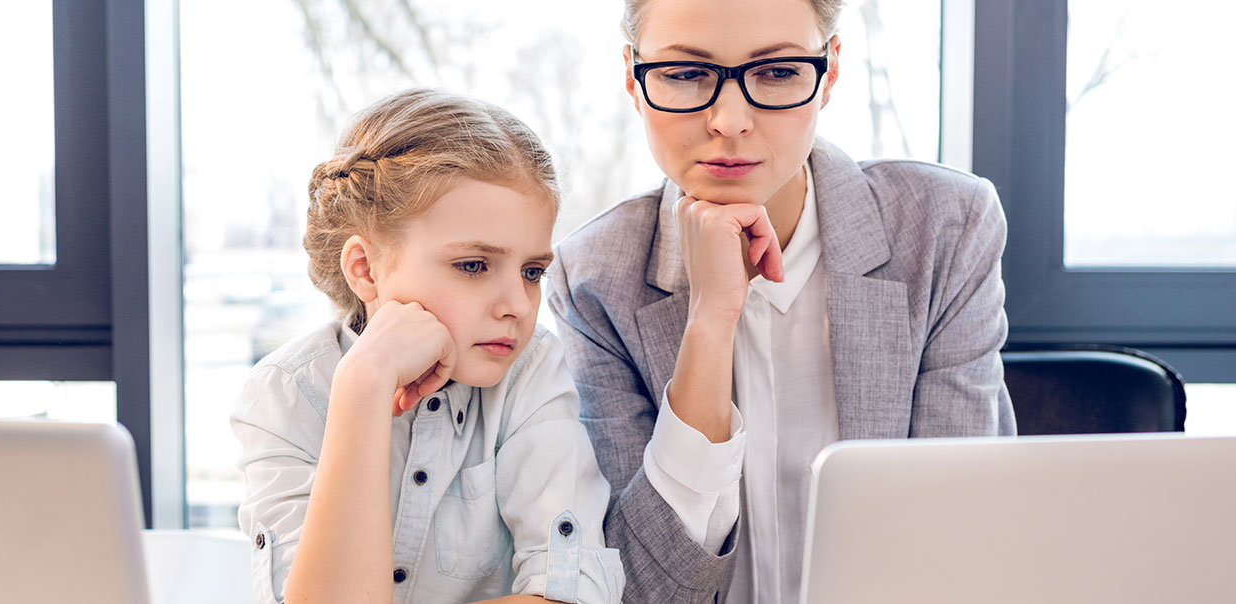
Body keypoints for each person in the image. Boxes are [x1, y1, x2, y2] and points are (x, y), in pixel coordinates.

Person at [546, 0, 1016, 602]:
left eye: (777, 72)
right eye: (688, 74)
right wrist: (709, 326)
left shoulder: (947, 231)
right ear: (634, 76)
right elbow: (638, 589)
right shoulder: (592, 282)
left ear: (830, 72)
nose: (730, 120)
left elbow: (963, 536)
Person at [232, 88, 624, 604]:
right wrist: (364, 386)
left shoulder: (531, 371)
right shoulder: (285, 396)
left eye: (532, 272)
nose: (519, 306)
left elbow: (574, 595)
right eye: (473, 266)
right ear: (365, 270)